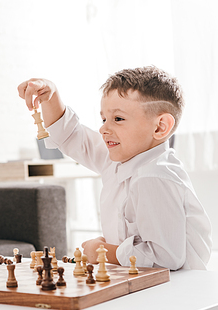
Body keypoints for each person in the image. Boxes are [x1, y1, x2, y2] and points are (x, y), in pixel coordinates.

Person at [18, 66, 212, 270]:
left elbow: (166, 257)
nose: (103, 128)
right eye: (104, 119)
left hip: (176, 291)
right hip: (142, 282)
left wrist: (101, 251)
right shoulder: (120, 158)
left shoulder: (154, 175)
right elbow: (72, 137)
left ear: (159, 127)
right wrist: (51, 96)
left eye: (118, 119)